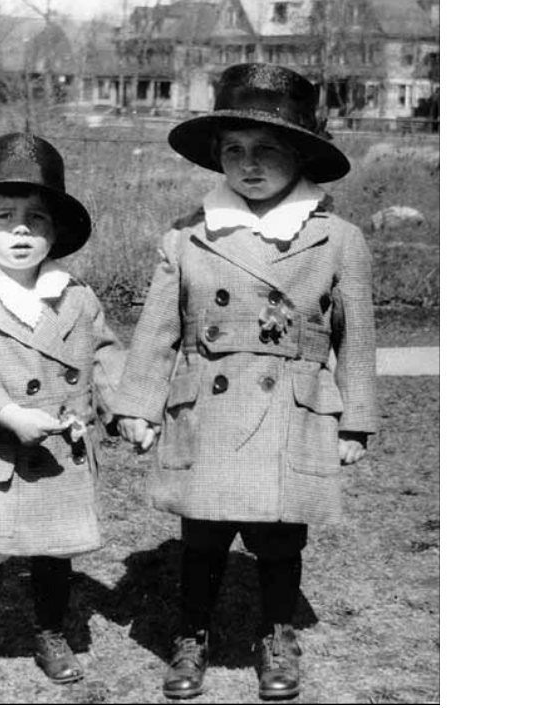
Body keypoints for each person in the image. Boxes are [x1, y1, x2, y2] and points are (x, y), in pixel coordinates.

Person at [113, 63, 378, 700]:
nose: (248, 164)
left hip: (294, 406)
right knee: (201, 536)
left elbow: (358, 339)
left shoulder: (337, 238)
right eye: (234, 150)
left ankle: (276, 633)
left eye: (267, 150)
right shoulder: (187, 235)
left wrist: (357, 419)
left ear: (300, 156)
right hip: (208, 404)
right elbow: (156, 330)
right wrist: (139, 405)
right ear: (216, 158)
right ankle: (191, 633)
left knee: (281, 538)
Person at [0, 132, 123, 691]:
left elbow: (105, 356)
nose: (20, 230)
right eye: (4, 216)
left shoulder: (77, 297)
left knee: (54, 553)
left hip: (59, 451)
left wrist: (127, 409)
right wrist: (6, 413)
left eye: (36, 218)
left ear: (54, 233)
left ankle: (50, 632)